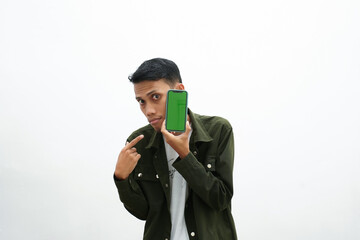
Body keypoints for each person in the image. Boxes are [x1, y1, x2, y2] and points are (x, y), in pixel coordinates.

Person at [114, 58, 237, 240]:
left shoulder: (218, 130)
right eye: (141, 101)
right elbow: (144, 212)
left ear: (179, 91)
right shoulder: (139, 142)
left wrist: (185, 155)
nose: (148, 110)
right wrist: (121, 178)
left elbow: (220, 199)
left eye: (155, 97)